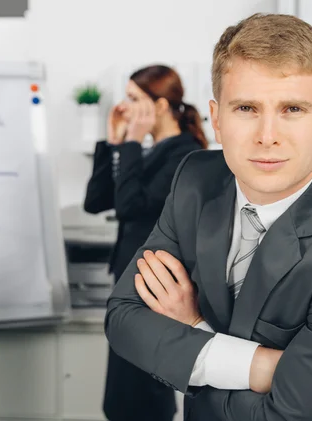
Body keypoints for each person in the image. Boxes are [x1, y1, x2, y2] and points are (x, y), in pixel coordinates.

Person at [105, 13, 312, 421]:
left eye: (292, 109)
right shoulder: (196, 178)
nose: (267, 135)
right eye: (246, 107)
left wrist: (194, 331)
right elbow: (123, 318)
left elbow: (291, 416)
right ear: (216, 118)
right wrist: (267, 367)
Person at [84, 64, 208, 421]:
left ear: (161, 105)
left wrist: (134, 144)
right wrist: (113, 143)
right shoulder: (153, 151)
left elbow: (130, 208)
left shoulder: (186, 155)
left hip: (152, 286)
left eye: (134, 98)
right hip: (130, 278)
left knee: (141, 387)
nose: (125, 106)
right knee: (123, 388)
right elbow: (95, 202)